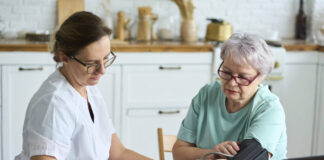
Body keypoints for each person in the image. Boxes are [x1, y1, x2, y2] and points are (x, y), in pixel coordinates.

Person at [15, 11, 152, 160]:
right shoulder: (54, 103)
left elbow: (118, 153)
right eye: (91, 63)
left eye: (106, 59)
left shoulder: (89, 89)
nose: (102, 70)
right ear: (65, 57)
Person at [172, 33, 287, 160]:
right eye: (227, 72)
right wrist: (212, 153)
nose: (232, 83)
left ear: (261, 77)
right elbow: (178, 153)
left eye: (243, 77)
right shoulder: (206, 95)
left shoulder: (269, 109)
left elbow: (251, 156)